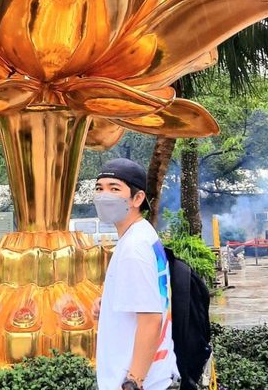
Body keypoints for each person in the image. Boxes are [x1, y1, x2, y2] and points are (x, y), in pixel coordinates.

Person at [92, 158, 180, 390]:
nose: (104, 195)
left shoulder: (133, 248)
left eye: (114, 189)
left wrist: (134, 381)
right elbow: (150, 296)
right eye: (99, 188)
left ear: (137, 198)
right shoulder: (143, 234)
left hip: (139, 381)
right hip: (158, 374)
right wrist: (110, 302)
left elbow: (151, 319)